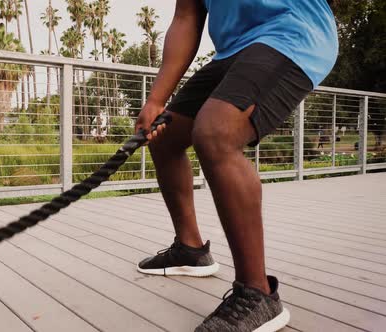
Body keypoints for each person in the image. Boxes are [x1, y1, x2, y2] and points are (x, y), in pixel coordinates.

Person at [134, 1, 338, 331]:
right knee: (164, 135)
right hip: (232, 51)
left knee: (216, 132)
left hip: (292, 32)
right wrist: (156, 98)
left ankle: (258, 293)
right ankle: (190, 249)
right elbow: (187, 16)